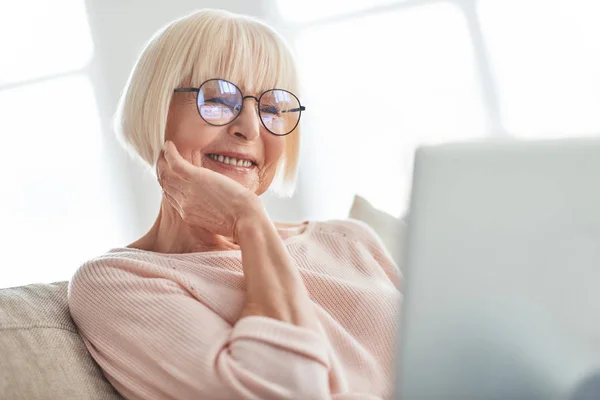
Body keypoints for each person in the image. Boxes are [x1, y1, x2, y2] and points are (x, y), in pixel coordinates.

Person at [67, 8, 402, 400]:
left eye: (273, 108)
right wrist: (250, 221)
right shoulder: (118, 282)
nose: (250, 127)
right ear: (154, 107)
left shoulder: (351, 240)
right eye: (218, 99)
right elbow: (290, 392)